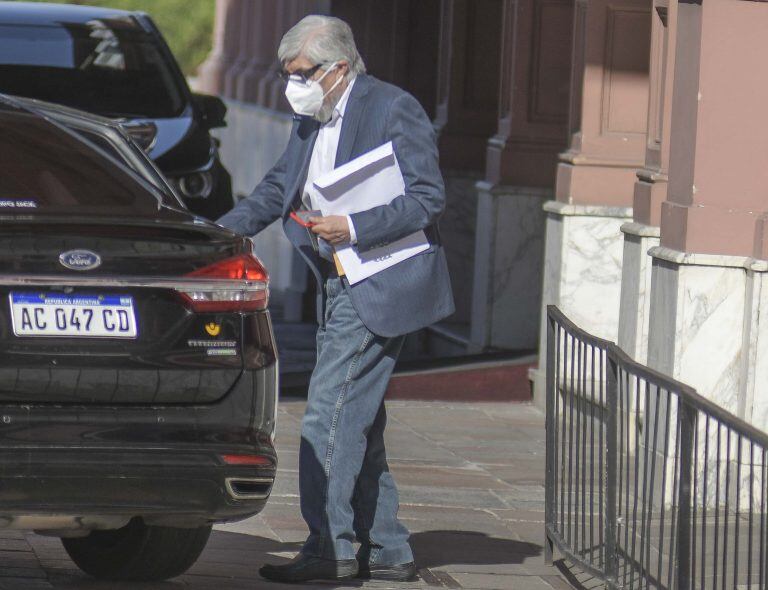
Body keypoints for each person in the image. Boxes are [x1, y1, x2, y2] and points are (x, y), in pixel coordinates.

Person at [217, 14, 454, 584]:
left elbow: (428, 198)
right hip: (336, 280)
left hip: (380, 277)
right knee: (358, 419)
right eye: (286, 73)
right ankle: (388, 547)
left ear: (338, 68)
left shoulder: (393, 107)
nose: (292, 83)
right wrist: (218, 233)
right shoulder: (310, 114)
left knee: (326, 413)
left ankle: (330, 548)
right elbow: (279, 187)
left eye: (301, 73)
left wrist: (354, 225)